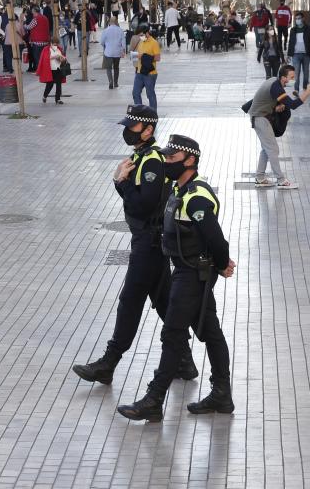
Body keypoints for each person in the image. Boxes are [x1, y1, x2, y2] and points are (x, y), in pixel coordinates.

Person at [72, 107, 197, 386]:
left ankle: (109, 362)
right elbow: (134, 199)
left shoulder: (152, 160)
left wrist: (121, 182)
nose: (127, 130)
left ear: (149, 130)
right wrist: (122, 183)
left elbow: (143, 205)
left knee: (130, 301)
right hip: (149, 239)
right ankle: (185, 361)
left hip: (149, 243)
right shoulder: (141, 156)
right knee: (165, 303)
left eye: (133, 126)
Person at [117, 135, 235, 422]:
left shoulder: (196, 196)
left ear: (189, 160)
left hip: (193, 274)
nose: (166, 162)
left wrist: (222, 264)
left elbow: (215, 237)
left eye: (171, 159)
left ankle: (154, 399)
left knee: (173, 333)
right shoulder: (180, 190)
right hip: (185, 271)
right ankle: (222, 394)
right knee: (210, 332)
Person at [248, 65, 310, 189]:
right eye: (291, 77)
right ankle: (281, 180)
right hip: (260, 118)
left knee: (267, 148)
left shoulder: (275, 82)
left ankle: (260, 178)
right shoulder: (276, 87)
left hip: (260, 116)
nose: (293, 79)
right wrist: (308, 91)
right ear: (283, 78)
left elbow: (269, 99)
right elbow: (293, 104)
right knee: (273, 149)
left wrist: (277, 106)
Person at [286, 12, 310, 90]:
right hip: (295, 55)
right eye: (296, 19)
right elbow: (291, 42)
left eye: (299, 18)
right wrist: (288, 54)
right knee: (296, 73)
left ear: (303, 19)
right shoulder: (293, 30)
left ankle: (305, 87)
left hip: (306, 54)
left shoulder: (309, 29)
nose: (297, 20)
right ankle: (296, 90)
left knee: (306, 72)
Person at [133, 23, 161, 110]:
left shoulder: (154, 43)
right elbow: (139, 55)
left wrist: (144, 56)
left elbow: (157, 58)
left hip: (150, 73)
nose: (141, 37)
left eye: (142, 35)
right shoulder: (141, 42)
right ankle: (139, 111)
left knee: (150, 94)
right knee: (135, 93)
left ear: (147, 33)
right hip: (139, 71)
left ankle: (153, 113)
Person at [38, 37, 66, 105]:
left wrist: (62, 58)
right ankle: (45, 96)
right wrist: (54, 57)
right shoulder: (46, 49)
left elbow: (64, 57)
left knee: (59, 85)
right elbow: (44, 58)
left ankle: (58, 99)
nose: (55, 45)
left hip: (58, 69)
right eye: (54, 44)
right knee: (49, 85)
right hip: (50, 70)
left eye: (56, 44)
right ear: (51, 43)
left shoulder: (59, 49)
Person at [100, 15, 126, 89]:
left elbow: (102, 42)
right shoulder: (120, 30)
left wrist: (105, 46)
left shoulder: (106, 30)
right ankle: (115, 82)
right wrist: (123, 50)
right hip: (117, 52)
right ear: (116, 22)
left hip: (108, 52)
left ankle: (110, 81)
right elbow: (123, 42)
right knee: (116, 68)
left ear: (110, 22)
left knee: (108, 68)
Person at [25, 7, 50, 73]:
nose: (32, 13)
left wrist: (24, 25)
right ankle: (46, 70)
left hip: (37, 42)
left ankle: (40, 71)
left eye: (32, 11)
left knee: (37, 57)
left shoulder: (35, 19)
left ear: (35, 11)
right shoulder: (45, 18)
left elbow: (28, 27)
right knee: (44, 57)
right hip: (46, 41)